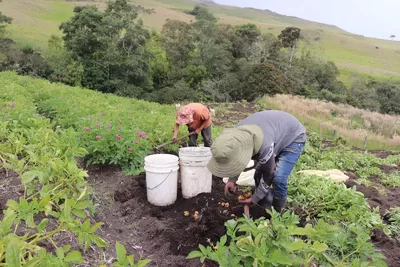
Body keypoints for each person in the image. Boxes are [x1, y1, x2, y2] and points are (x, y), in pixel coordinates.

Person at [207, 110, 306, 214]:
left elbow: (269, 172)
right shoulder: (233, 138)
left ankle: (278, 213)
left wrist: (254, 198)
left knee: (278, 178)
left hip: (293, 137)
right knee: (258, 173)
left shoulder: (263, 144)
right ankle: (264, 202)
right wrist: (232, 180)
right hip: (274, 131)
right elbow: (236, 160)